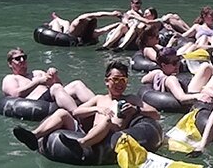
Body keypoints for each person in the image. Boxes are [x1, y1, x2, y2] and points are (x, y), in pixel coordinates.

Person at [12, 61, 160, 157]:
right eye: (115, 79)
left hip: (109, 138)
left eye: (123, 80)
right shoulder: (99, 99)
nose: (119, 83)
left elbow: (156, 114)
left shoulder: (131, 99)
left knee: (107, 121)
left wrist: (136, 110)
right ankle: (34, 136)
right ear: (107, 82)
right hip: (89, 132)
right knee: (62, 113)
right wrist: (96, 109)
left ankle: (81, 145)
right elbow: (76, 112)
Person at [1, 48, 94, 112]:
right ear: (10, 64)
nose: (22, 60)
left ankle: (99, 104)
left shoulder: (37, 73)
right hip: (37, 102)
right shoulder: (10, 78)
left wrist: (54, 77)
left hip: (51, 96)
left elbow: (59, 85)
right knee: (56, 88)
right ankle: (78, 114)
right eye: (17, 59)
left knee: (77, 84)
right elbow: (15, 94)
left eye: (24, 57)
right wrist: (37, 82)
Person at [141, 47, 213, 105]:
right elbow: (181, 98)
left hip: (188, 90)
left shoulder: (156, 73)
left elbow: (143, 80)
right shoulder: (171, 79)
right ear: (163, 65)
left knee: (207, 68)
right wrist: (199, 96)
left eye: (178, 60)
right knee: (207, 67)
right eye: (174, 63)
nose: (177, 65)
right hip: (191, 92)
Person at [46, 10, 123, 44]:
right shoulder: (92, 34)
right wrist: (119, 23)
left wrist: (111, 14)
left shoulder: (77, 23)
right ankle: (56, 18)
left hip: (67, 36)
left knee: (60, 22)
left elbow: (96, 14)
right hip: (67, 35)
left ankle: (55, 19)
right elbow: (106, 29)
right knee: (65, 23)